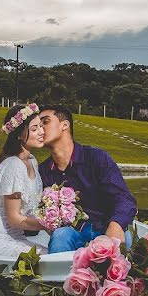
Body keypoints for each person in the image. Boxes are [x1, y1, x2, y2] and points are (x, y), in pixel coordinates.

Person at [37, 105, 137, 253]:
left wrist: (116, 224)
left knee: (123, 239)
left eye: (45, 122)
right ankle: (59, 276)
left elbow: (124, 198)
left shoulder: (96, 158)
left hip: (105, 228)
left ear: (65, 125)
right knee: (60, 235)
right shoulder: (44, 170)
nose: (40, 129)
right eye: (37, 126)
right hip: (72, 234)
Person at [0, 103, 49, 256]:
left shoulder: (32, 161)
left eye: (41, 126)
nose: (41, 132)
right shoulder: (14, 165)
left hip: (16, 237)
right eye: (34, 129)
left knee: (51, 253)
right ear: (20, 135)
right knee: (44, 257)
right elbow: (14, 219)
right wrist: (47, 225)